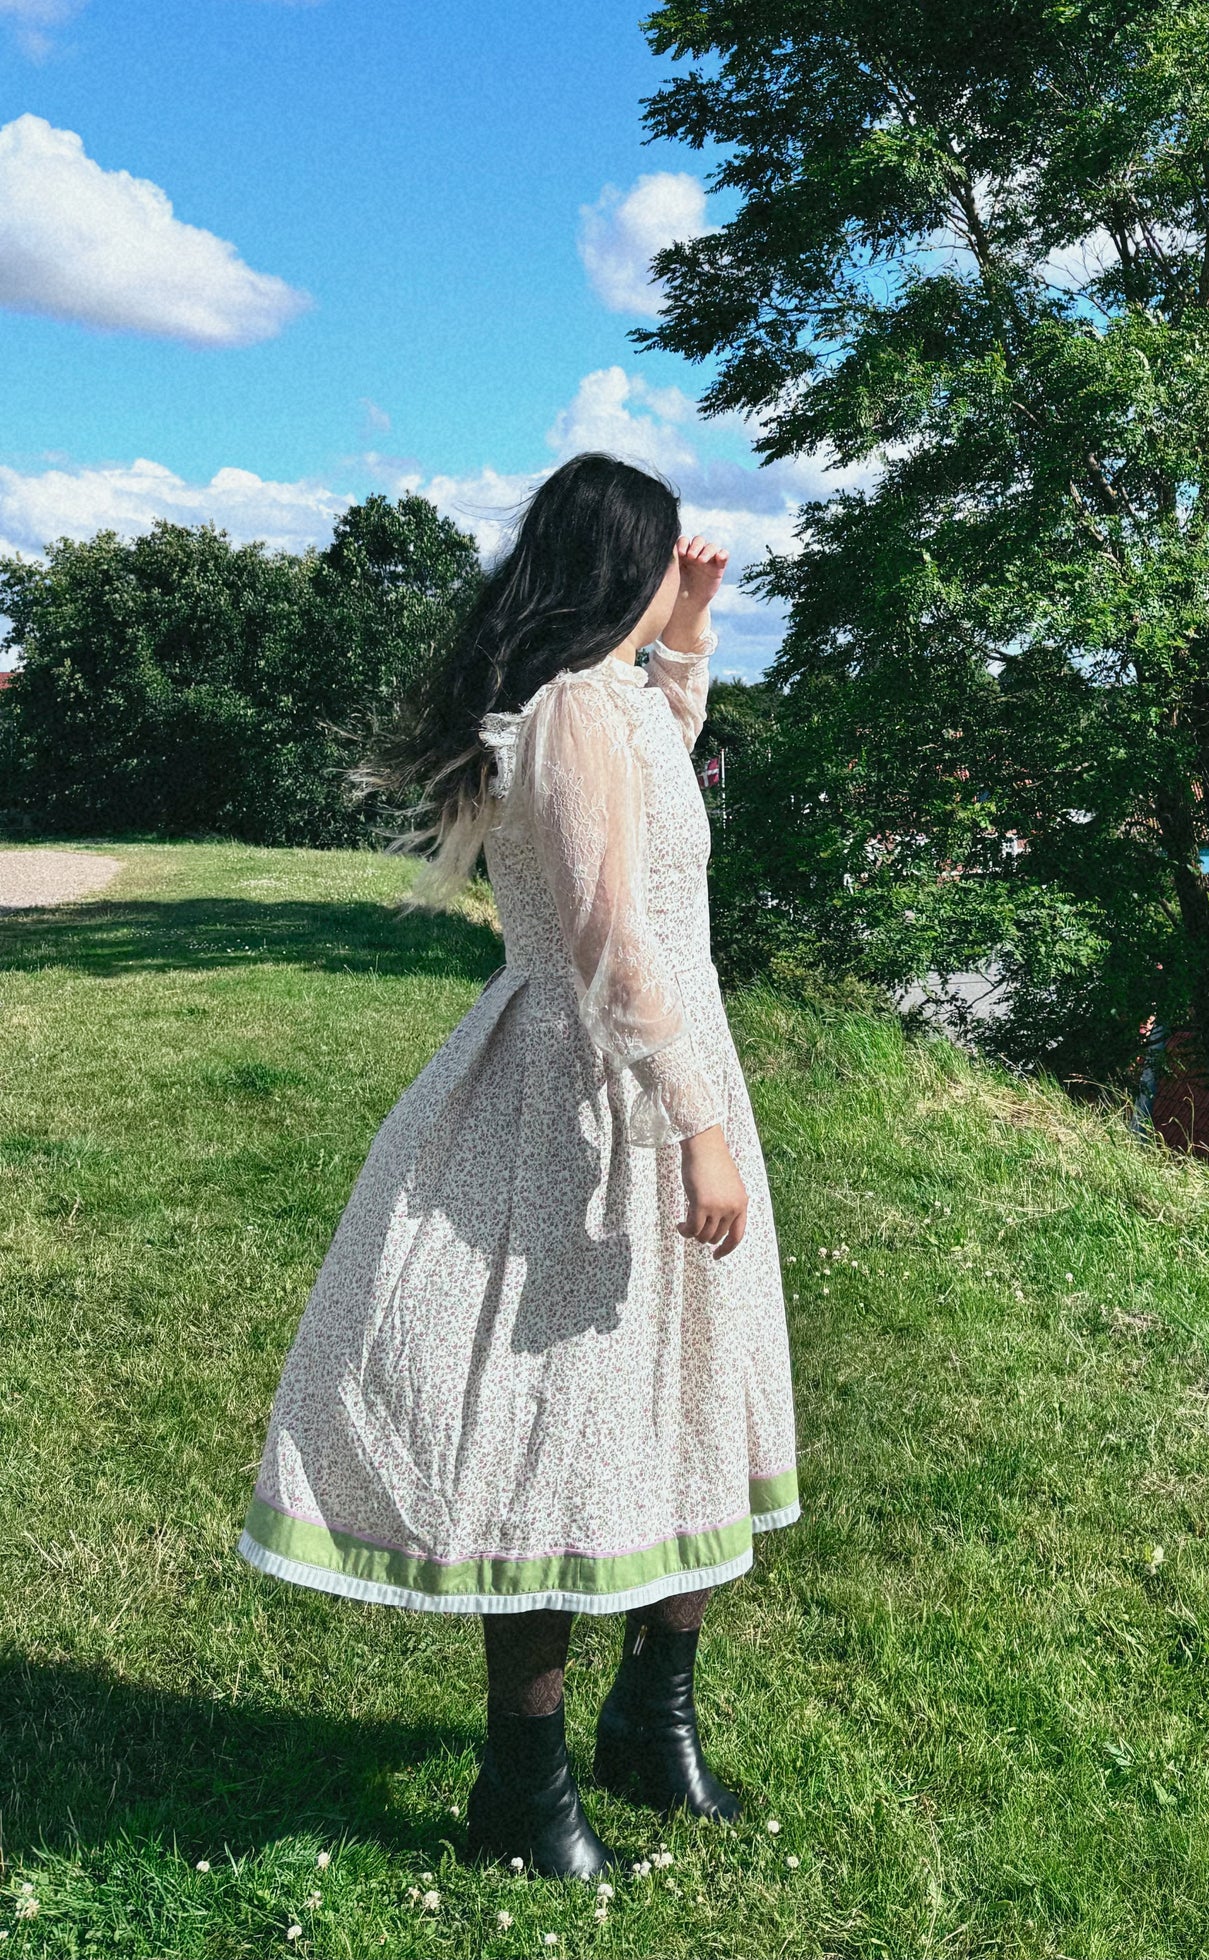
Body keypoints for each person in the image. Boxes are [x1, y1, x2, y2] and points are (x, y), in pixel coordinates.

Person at [238, 454, 797, 1879]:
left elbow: (658, 781)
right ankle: (522, 1783)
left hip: (661, 1069)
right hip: (581, 1092)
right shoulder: (565, 715)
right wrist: (696, 1123)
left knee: (682, 1397)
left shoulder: (613, 701)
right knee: (553, 1427)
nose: (680, 574)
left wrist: (689, 637)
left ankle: (650, 1722)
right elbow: (612, 941)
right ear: (626, 563)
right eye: (666, 558)